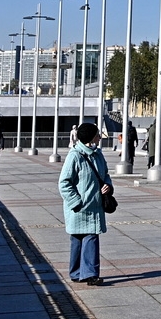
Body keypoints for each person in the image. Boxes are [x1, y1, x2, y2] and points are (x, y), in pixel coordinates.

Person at [59, 122, 113, 287]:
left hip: (94, 206)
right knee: (79, 239)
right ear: (90, 137)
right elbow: (64, 183)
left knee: (89, 237)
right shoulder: (74, 156)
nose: (99, 137)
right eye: (97, 134)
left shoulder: (98, 155)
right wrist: (76, 202)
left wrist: (108, 185)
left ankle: (84, 273)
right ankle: (82, 273)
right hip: (79, 207)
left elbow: (106, 175)